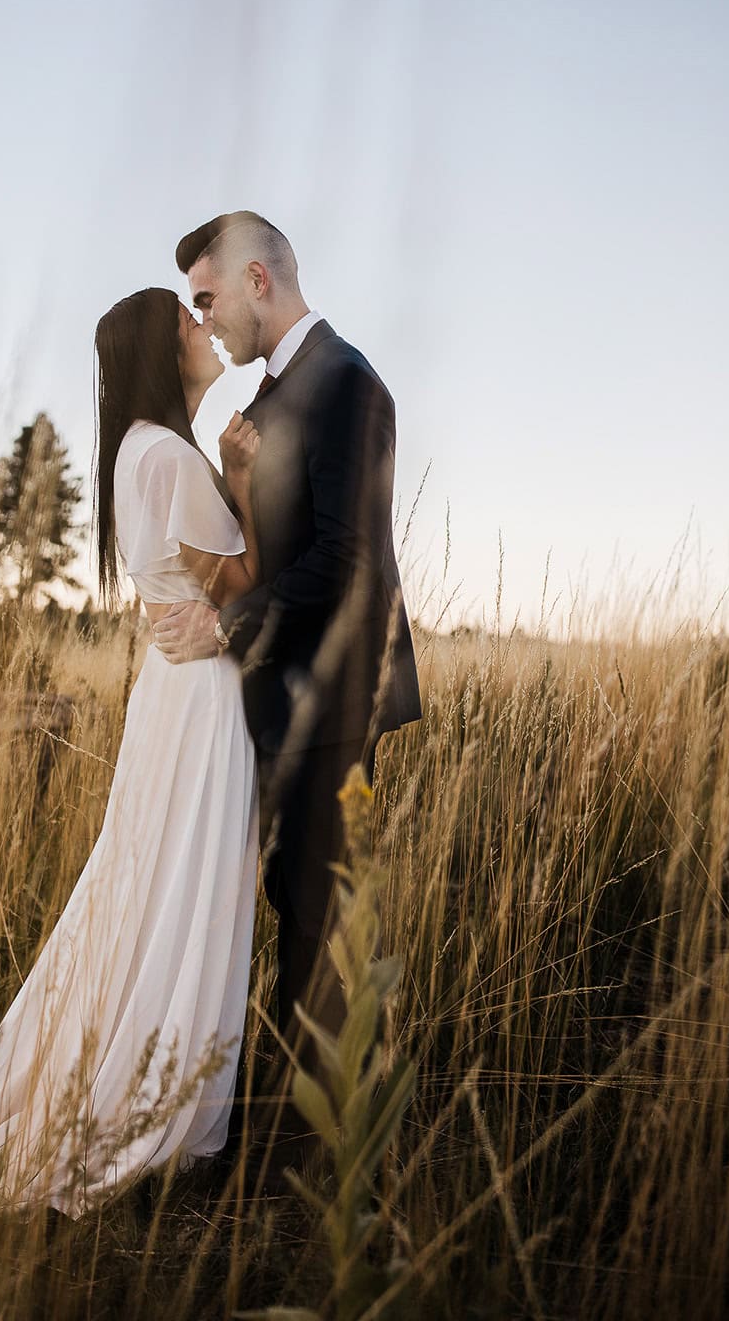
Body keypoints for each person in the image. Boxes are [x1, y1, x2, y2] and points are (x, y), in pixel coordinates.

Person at [0, 286, 263, 1219]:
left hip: (178, 695)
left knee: (160, 879)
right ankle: (158, 1099)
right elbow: (240, 582)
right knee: (184, 885)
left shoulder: (139, 453)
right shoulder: (169, 458)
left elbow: (180, 587)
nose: (205, 332)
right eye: (187, 325)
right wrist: (244, 483)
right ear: (161, 356)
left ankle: (160, 1075)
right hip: (200, 700)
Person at [153, 211, 422, 1173]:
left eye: (208, 297)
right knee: (283, 906)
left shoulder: (346, 383)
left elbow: (349, 564)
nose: (206, 318)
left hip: (332, 695)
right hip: (273, 698)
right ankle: (277, 1125)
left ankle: (315, 1159)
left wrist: (224, 627)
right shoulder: (266, 402)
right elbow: (266, 547)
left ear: (258, 279)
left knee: (316, 916)